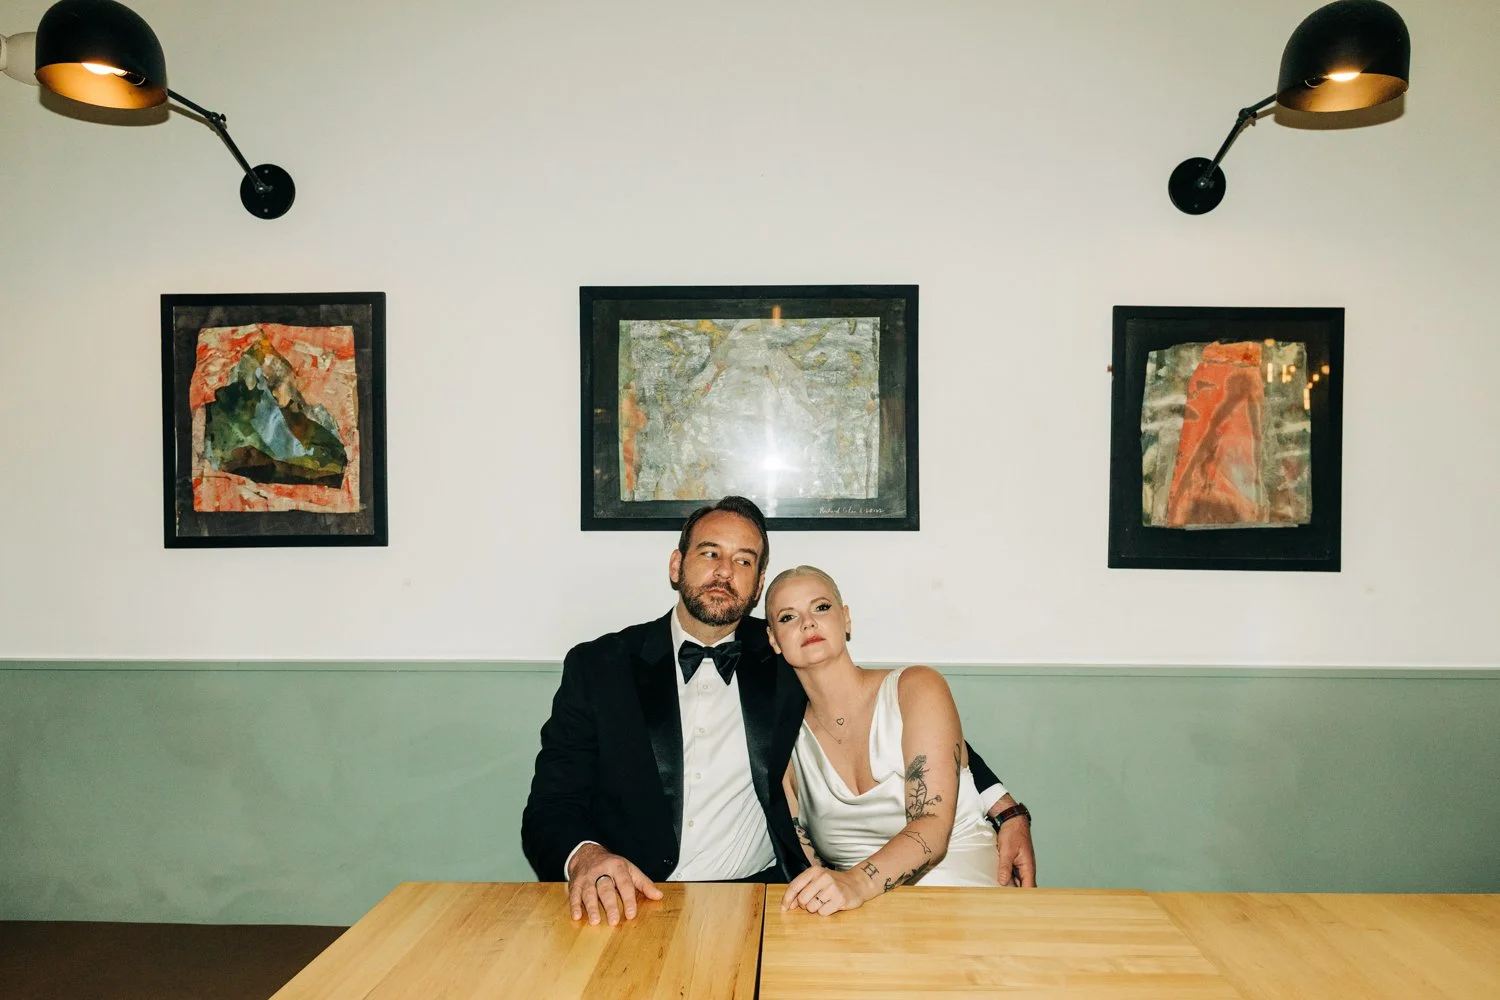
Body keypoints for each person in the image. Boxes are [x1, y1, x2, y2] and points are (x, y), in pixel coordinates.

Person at [521, 497, 1035, 927]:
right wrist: (585, 857)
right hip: (635, 902)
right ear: (676, 566)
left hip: (766, 901)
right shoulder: (600, 667)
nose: (726, 571)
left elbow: (903, 720)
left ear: (758, 580)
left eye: (744, 560)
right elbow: (550, 804)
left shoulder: (785, 653)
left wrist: (1003, 807)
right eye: (710, 553)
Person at [769, 565, 1002, 916]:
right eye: (788, 617)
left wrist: (855, 884)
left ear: (845, 619)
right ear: (774, 639)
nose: (808, 623)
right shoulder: (785, 743)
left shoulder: (917, 688)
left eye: (821, 607)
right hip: (859, 923)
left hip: (964, 903)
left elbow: (932, 827)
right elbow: (806, 854)